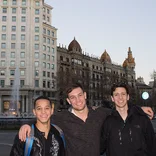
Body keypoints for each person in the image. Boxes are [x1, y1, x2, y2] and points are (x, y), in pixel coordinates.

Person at [18, 82, 154, 156]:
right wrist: (27, 124)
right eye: (72, 97)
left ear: (85, 95)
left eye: (79, 95)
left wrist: (139, 108)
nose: (77, 100)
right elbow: (43, 116)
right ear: (68, 101)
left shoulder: (100, 113)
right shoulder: (62, 117)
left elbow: (120, 108)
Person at [100, 83, 156, 156]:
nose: (120, 97)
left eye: (123, 94)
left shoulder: (142, 119)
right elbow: (100, 148)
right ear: (112, 98)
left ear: (128, 97)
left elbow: (152, 146)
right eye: (116, 95)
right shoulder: (107, 122)